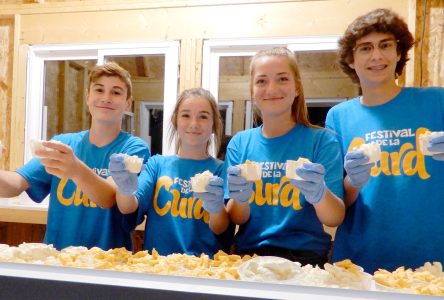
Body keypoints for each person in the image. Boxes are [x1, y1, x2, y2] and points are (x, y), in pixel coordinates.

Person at [326, 8, 444, 273]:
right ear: (351, 59)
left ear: (399, 53)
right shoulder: (339, 117)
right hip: (359, 260)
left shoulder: (437, 101)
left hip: (431, 258)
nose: (376, 56)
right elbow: (337, 202)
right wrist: (353, 181)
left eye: (386, 45)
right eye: (365, 48)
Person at [0, 62, 150, 251]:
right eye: (99, 90)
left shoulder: (134, 149)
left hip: (108, 262)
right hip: (58, 259)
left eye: (116, 92)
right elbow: (15, 184)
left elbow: (109, 198)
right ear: (88, 97)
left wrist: (74, 168)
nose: (106, 98)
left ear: (128, 103)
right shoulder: (65, 144)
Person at [225, 47, 345, 266]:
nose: (272, 88)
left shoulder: (322, 141)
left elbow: (334, 217)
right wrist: (240, 199)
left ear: (297, 87)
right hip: (248, 256)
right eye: (261, 81)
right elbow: (236, 218)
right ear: (252, 90)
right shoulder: (239, 143)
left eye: (282, 79)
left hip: (306, 258)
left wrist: (319, 194)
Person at [110, 88, 233, 257]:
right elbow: (129, 207)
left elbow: (222, 228)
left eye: (203, 116)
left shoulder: (221, 170)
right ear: (175, 120)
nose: (194, 123)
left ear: (214, 125)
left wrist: (216, 207)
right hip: (159, 270)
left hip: (206, 271)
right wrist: (124, 188)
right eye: (186, 115)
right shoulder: (156, 165)